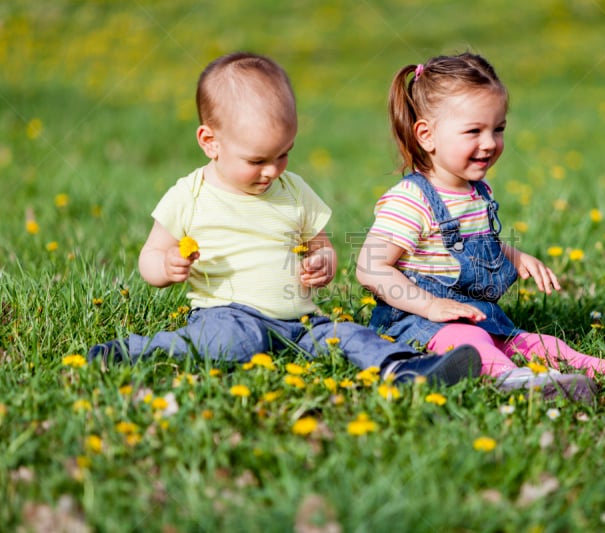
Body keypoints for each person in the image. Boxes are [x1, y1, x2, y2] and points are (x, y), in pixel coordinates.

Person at [87, 52, 480, 386]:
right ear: (210, 142)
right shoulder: (189, 195)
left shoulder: (293, 190)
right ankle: (132, 352)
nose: (273, 170)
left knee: (347, 335)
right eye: (257, 160)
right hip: (231, 314)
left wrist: (323, 262)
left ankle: (405, 369)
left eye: (284, 154)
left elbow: (320, 243)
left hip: (302, 317)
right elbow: (150, 256)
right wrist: (165, 266)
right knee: (232, 343)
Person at [355, 52, 605, 402]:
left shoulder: (476, 193)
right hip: (419, 328)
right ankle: (517, 382)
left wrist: (514, 256)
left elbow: (468, 247)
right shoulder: (411, 199)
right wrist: (429, 306)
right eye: (474, 131)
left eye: (498, 129)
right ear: (426, 135)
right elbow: (370, 267)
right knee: (472, 344)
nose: (490, 143)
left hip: (478, 316)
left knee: (541, 343)